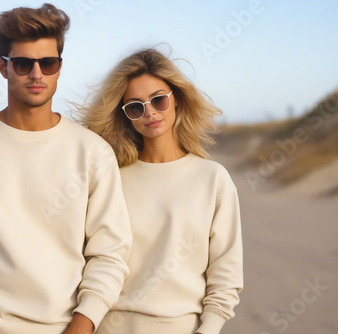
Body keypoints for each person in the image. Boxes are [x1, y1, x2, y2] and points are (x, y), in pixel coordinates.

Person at [0, 4, 132, 334]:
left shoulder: (92, 152)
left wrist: (83, 323)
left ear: (59, 67)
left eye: (47, 63)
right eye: (22, 63)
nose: (36, 74)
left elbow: (110, 253)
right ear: (3, 66)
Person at [76, 48, 243, 334]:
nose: (149, 112)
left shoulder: (212, 179)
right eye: (136, 106)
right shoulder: (111, 178)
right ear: (125, 114)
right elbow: (89, 259)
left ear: (175, 98)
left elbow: (226, 273)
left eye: (158, 99)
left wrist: (209, 329)